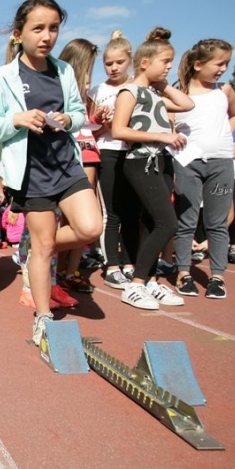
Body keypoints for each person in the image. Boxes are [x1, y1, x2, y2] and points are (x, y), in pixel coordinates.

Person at [0, 0, 102, 345]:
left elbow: (78, 113)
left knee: (90, 227)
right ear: (19, 34)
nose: (47, 36)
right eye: (38, 29)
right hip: (30, 172)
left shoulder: (63, 70)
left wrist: (68, 119)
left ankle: (35, 249)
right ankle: (43, 318)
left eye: (53, 28)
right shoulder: (3, 76)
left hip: (65, 163)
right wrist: (17, 119)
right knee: (46, 246)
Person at [110, 27, 195, 309]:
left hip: (160, 161)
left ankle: (149, 281)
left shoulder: (155, 93)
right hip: (139, 162)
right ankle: (135, 285)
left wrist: (164, 85)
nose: (169, 66)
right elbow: (119, 130)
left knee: (151, 222)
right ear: (145, 63)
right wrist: (162, 135)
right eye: (165, 61)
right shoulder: (129, 92)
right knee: (168, 222)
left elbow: (187, 104)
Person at [172, 39, 235, 299]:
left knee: (216, 223)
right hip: (187, 164)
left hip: (220, 163)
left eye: (227, 64)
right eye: (219, 63)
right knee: (186, 221)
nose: (223, 69)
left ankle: (217, 277)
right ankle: (183, 273)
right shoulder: (179, 92)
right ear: (198, 64)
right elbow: (169, 125)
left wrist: (224, 132)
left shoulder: (224, 90)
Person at [89, 31, 139, 290]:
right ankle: (112, 266)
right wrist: (104, 124)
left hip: (135, 153)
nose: (114, 67)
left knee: (132, 211)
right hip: (108, 152)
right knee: (111, 212)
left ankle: (130, 263)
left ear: (130, 60)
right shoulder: (97, 91)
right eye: (108, 63)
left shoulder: (139, 88)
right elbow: (89, 131)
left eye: (119, 62)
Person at [57, 38, 101, 294]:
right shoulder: (59, 82)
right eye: (89, 64)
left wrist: (99, 120)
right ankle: (55, 265)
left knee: (84, 217)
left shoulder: (87, 89)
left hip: (89, 152)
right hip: (69, 153)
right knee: (66, 217)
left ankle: (71, 270)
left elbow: (88, 123)